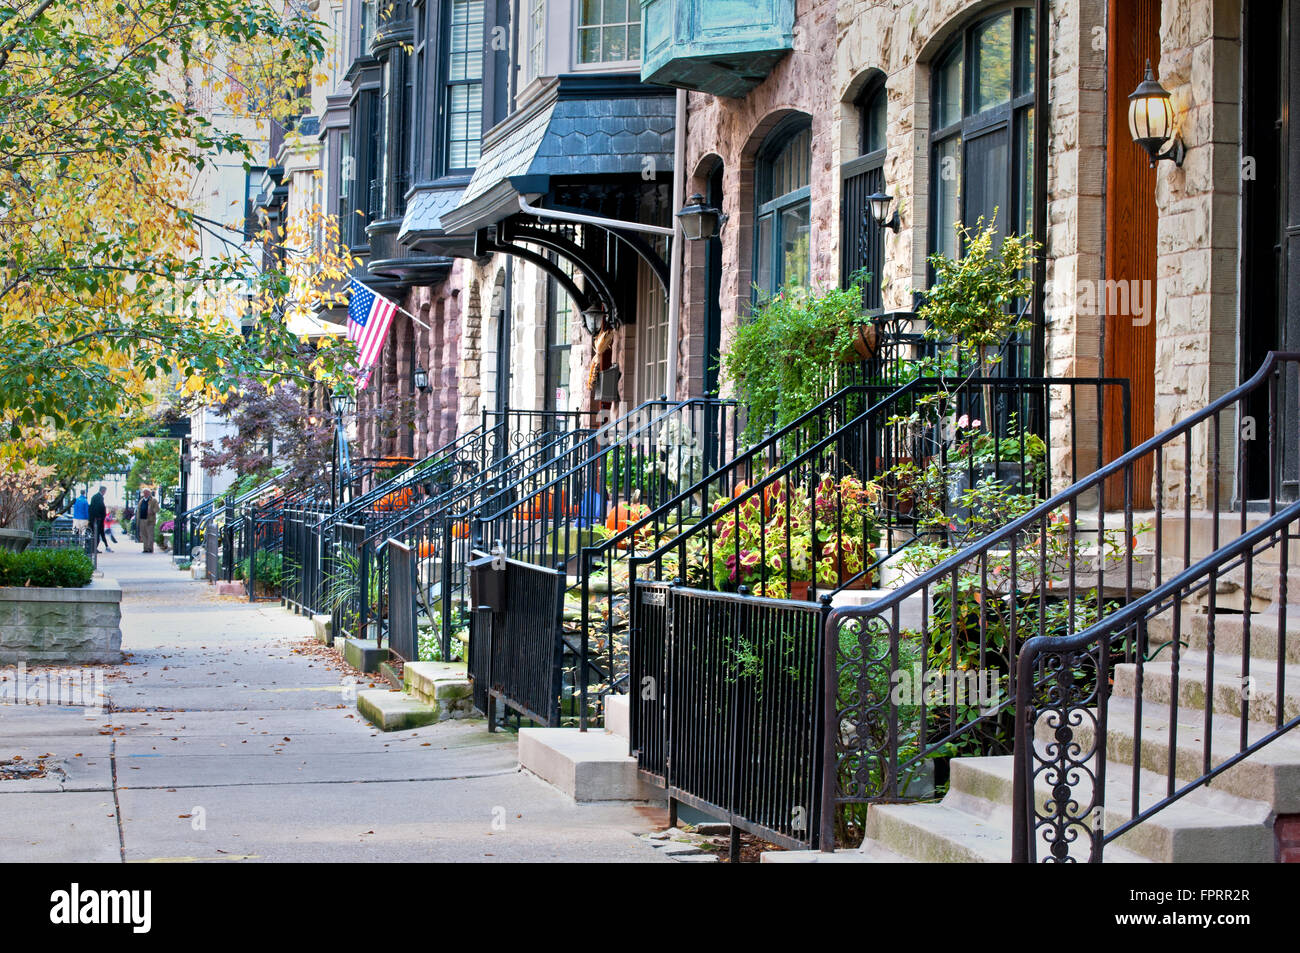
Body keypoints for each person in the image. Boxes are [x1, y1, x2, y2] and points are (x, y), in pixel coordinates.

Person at [89, 486, 110, 553]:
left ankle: (105, 546)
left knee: (100, 533)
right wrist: (99, 517)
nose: (105, 493)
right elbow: (99, 507)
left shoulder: (95, 497)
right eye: (105, 491)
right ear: (103, 490)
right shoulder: (99, 497)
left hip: (96, 518)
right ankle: (94, 548)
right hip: (97, 519)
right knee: (97, 533)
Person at [137, 488, 157, 553]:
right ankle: (145, 548)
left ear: (149, 493)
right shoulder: (141, 500)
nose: (145, 494)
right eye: (144, 493)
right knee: (143, 535)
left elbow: (157, 509)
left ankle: (150, 548)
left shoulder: (153, 500)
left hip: (150, 520)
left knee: (150, 535)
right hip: (142, 519)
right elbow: (138, 510)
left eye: (147, 493)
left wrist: (151, 511)